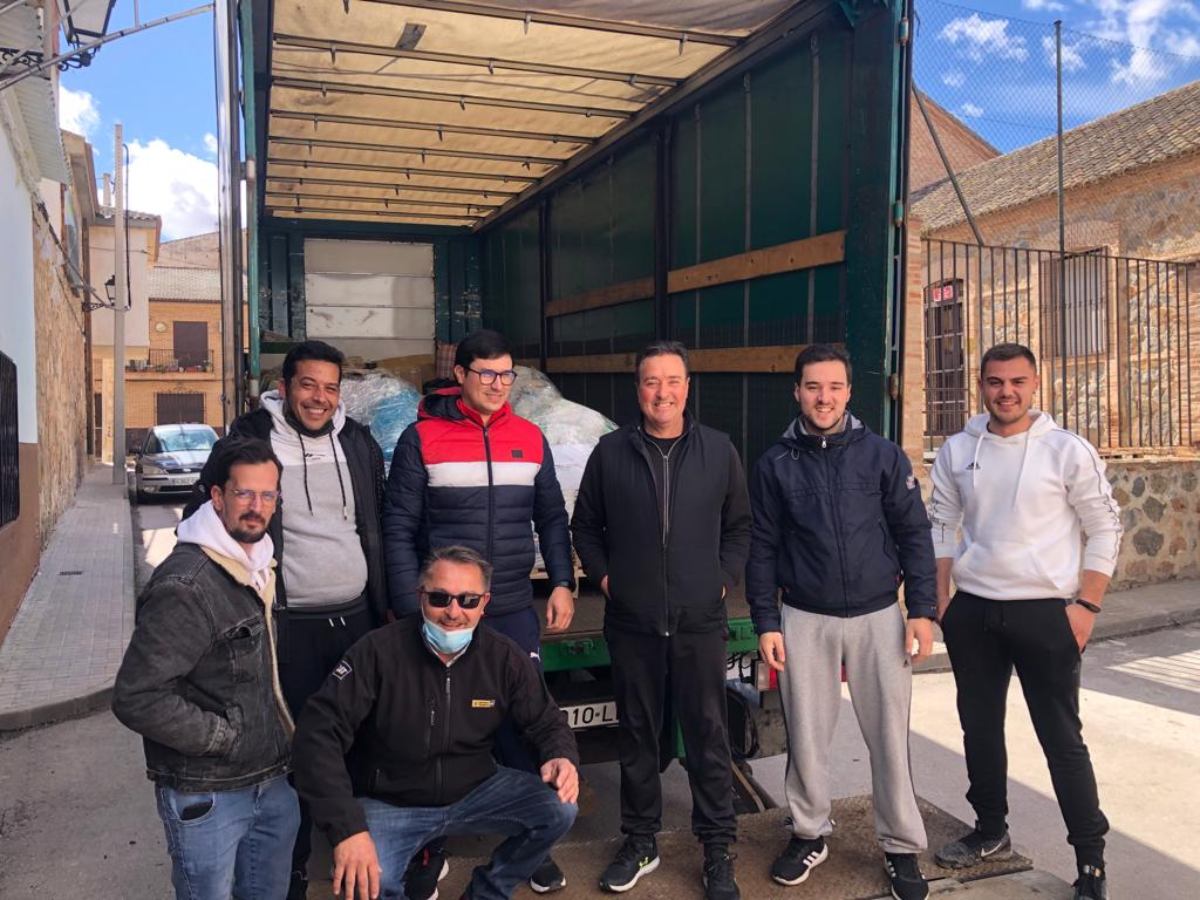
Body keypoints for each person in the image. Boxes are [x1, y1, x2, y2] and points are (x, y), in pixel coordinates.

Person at [185, 339, 392, 900]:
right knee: (294, 749)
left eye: (330, 387)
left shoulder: (359, 441)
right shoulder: (251, 439)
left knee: (364, 740)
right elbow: (202, 515)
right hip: (287, 624)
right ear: (285, 387)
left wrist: (388, 604)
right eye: (308, 385)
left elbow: (379, 522)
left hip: (357, 619)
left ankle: (366, 855)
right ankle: (293, 871)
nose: (319, 398)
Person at [383, 329, 576, 893]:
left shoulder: (530, 438)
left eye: (506, 374)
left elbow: (552, 518)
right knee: (430, 723)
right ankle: (427, 850)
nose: (497, 384)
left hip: (512, 604)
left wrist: (561, 582)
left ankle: (529, 841)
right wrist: (404, 604)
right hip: (445, 608)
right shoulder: (423, 439)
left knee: (522, 722)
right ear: (461, 375)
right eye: (486, 374)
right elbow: (398, 528)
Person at [929, 342, 1122, 900]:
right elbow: (942, 522)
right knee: (979, 728)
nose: (1005, 391)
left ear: (1036, 383)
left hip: (1047, 612)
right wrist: (943, 600)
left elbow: (1105, 527)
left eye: (1017, 381)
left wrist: (1085, 607)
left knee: (1061, 739)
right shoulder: (959, 449)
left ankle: (1090, 861)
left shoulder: (1066, 450)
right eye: (994, 382)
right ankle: (990, 830)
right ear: (981, 385)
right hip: (974, 611)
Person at [746, 344, 936, 900]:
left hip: (880, 614)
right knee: (806, 733)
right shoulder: (775, 463)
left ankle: (901, 845)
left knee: (888, 735)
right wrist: (766, 621)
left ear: (849, 392)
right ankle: (808, 833)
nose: (823, 397)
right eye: (812, 387)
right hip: (805, 615)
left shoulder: (881, 455)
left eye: (833, 387)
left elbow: (914, 535)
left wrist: (921, 609)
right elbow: (762, 548)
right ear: (797, 392)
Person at [291, 545, 579, 900]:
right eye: (440, 598)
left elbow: (547, 720)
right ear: (420, 596)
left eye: (467, 600)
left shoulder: (503, 657)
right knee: (366, 882)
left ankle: (487, 893)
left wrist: (560, 755)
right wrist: (347, 829)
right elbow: (317, 736)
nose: (453, 612)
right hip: (391, 800)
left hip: (474, 789)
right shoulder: (377, 652)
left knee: (560, 809)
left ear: (485, 603)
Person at [571, 340, 751, 900]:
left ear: (687, 387)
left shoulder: (719, 451)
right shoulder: (610, 453)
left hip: (699, 621)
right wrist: (607, 580)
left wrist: (722, 578)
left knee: (707, 736)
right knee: (637, 736)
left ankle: (717, 848)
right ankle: (641, 840)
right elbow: (585, 528)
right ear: (638, 389)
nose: (662, 393)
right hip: (633, 623)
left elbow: (740, 527)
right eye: (652, 382)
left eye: (672, 381)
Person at [113, 438, 299, 900]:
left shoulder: (259, 564)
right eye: (243, 494)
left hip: (271, 781)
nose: (257, 507)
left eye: (268, 495)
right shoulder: (186, 586)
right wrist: (224, 738)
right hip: (209, 794)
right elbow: (137, 696)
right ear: (217, 497)